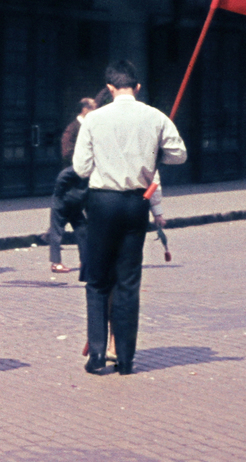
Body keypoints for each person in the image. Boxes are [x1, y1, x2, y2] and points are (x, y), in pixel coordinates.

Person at [72, 61, 186, 376]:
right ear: (137, 87)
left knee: (98, 280)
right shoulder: (155, 116)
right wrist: (151, 155)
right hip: (137, 202)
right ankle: (125, 358)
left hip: (103, 201)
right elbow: (179, 154)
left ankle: (97, 354)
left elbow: (81, 168)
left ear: (110, 88)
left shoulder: (94, 119)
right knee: (128, 281)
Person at [43, 97, 96, 273]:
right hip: (71, 180)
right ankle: (61, 262)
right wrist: (82, 162)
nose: (96, 111)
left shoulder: (88, 126)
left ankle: (84, 261)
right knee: (62, 227)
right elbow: (66, 152)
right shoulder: (73, 128)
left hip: (77, 184)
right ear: (84, 109)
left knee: (79, 227)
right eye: (93, 108)